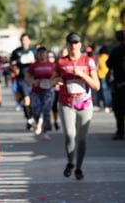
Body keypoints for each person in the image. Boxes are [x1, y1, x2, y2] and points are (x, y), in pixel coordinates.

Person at [50, 32, 100, 181]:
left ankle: (79, 167)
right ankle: (70, 162)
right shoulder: (61, 62)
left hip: (85, 103)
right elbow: (51, 81)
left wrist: (83, 75)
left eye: (76, 43)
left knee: (82, 138)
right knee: (70, 135)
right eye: (71, 43)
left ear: (81, 44)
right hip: (66, 103)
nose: (74, 46)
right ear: (67, 45)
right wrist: (57, 80)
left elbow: (96, 85)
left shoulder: (88, 61)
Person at [25, 46, 55, 140]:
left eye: (44, 53)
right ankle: (38, 121)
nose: (42, 55)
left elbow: (57, 76)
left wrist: (53, 82)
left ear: (47, 54)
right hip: (36, 91)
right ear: (37, 55)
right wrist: (33, 82)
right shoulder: (34, 65)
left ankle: (45, 131)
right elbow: (27, 77)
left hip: (48, 91)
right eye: (40, 53)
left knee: (46, 110)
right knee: (36, 111)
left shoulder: (52, 65)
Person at [10, 33, 37, 130]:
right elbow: (12, 64)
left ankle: (33, 116)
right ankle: (29, 119)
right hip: (22, 78)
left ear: (29, 40)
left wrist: (35, 63)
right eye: (22, 40)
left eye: (25, 40)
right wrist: (14, 69)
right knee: (26, 99)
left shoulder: (34, 51)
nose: (24, 42)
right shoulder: (16, 52)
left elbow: (41, 61)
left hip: (33, 79)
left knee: (33, 101)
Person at [106, 30, 125, 140]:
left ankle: (120, 131)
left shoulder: (116, 50)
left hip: (120, 85)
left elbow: (108, 64)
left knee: (119, 109)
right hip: (120, 84)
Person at [97, 45, 112, 113]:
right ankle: (110, 105)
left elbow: (100, 67)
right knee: (108, 91)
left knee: (104, 91)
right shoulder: (108, 56)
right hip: (108, 76)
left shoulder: (100, 58)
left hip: (102, 76)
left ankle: (106, 105)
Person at [47, 50, 60, 131]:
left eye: (51, 57)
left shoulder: (57, 66)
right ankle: (49, 122)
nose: (50, 58)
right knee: (48, 107)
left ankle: (55, 121)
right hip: (46, 89)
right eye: (48, 57)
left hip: (56, 89)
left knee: (54, 107)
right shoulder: (44, 66)